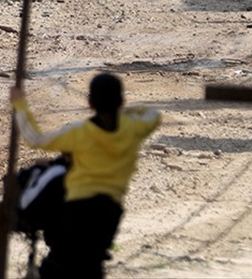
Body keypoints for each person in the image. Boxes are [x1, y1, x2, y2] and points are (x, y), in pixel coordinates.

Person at [10, 74, 162, 278]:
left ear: (90, 103)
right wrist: (124, 113)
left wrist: (19, 103)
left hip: (78, 209)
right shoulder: (133, 129)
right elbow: (153, 114)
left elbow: (35, 138)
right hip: (110, 211)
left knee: (60, 265)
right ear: (121, 101)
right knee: (91, 264)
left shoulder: (80, 134)